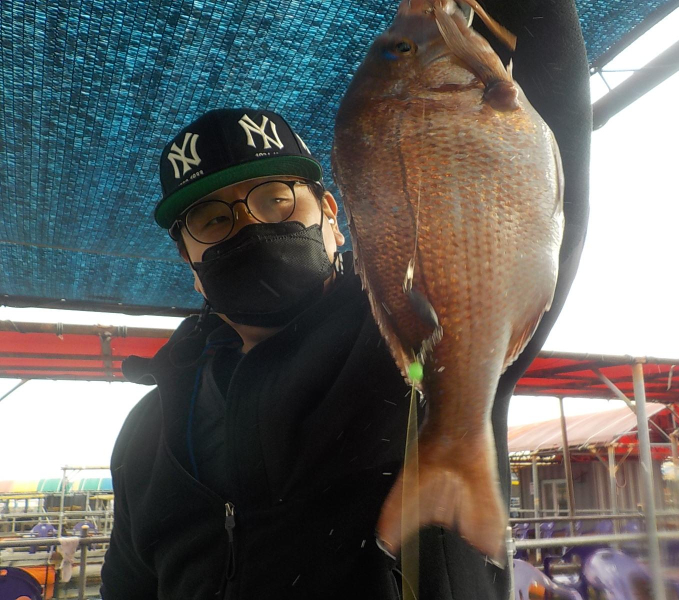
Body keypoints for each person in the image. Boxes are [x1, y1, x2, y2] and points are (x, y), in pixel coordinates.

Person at [100, 2, 591, 598]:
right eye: (211, 219)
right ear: (189, 262)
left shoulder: (418, 338)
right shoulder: (145, 433)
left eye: (276, 199)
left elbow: (547, 153)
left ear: (334, 216)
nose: (249, 225)